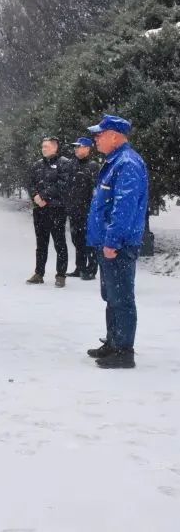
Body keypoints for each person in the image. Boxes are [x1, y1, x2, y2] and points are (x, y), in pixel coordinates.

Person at [84, 115, 148, 369]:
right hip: (109, 242)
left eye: (100, 134)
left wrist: (112, 241)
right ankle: (113, 342)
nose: (96, 139)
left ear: (114, 136)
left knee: (121, 298)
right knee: (111, 295)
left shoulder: (127, 163)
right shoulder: (115, 161)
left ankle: (123, 351)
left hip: (118, 244)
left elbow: (124, 208)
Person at [27, 137, 70, 287]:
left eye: (46, 146)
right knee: (41, 243)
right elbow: (30, 183)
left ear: (55, 147)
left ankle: (61, 275)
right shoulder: (37, 164)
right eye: (42, 146)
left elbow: (62, 185)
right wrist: (35, 197)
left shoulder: (64, 163)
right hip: (40, 210)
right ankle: (39, 273)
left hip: (56, 209)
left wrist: (44, 196)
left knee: (59, 243)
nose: (43, 149)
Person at [64, 137, 100, 280]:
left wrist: (92, 208)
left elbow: (96, 189)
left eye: (79, 146)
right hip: (74, 210)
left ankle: (91, 269)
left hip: (87, 211)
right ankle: (80, 267)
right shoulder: (72, 165)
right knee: (77, 239)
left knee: (89, 240)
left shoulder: (93, 166)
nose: (76, 149)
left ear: (87, 148)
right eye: (75, 147)